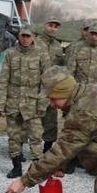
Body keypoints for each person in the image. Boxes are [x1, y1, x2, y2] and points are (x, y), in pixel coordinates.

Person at [0, 26, 51, 178]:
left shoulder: (41, 55)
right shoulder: (10, 54)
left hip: (32, 103)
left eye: (28, 36)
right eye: (23, 36)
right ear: (19, 37)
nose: (25, 39)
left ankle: (37, 170)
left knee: (35, 136)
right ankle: (16, 167)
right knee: (14, 136)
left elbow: (46, 82)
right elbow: (3, 80)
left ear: (33, 37)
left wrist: (42, 104)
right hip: (13, 102)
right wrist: (1, 104)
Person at [34, 16, 66, 152]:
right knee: (31, 119)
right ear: (44, 26)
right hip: (35, 87)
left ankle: (46, 150)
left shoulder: (58, 46)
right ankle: (25, 148)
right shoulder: (34, 42)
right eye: (50, 25)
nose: (52, 28)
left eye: (55, 26)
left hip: (51, 89)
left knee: (51, 121)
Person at [66, 21, 97, 86]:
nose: (94, 37)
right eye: (92, 33)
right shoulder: (77, 48)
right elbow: (70, 72)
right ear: (88, 34)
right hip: (81, 90)